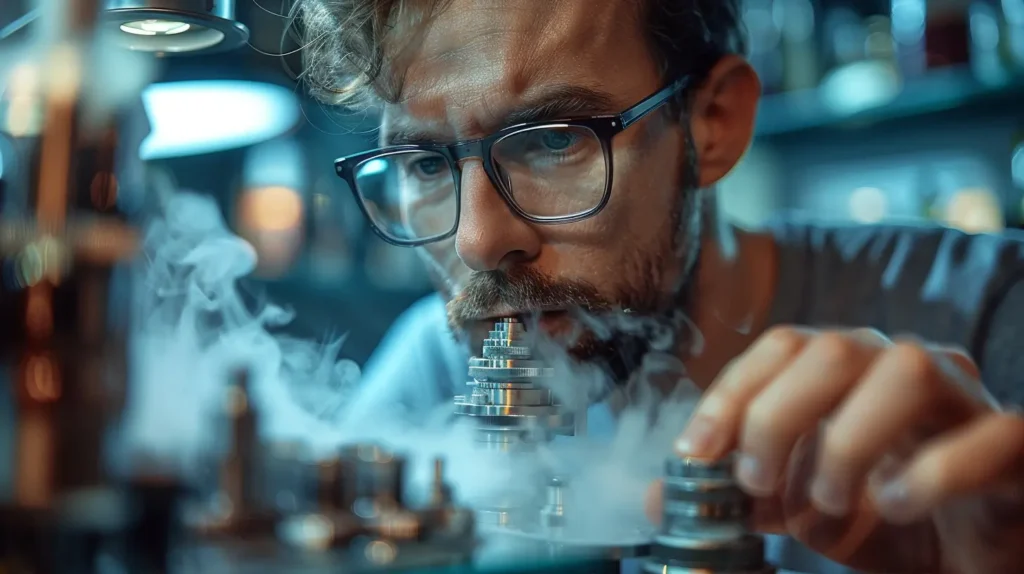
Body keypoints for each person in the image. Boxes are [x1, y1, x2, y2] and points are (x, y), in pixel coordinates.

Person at [300, 0, 1024, 572]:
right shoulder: (430, 370)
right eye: (426, 165)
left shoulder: (990, 315)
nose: (479, 243)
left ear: (712, 124)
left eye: (554, 137)